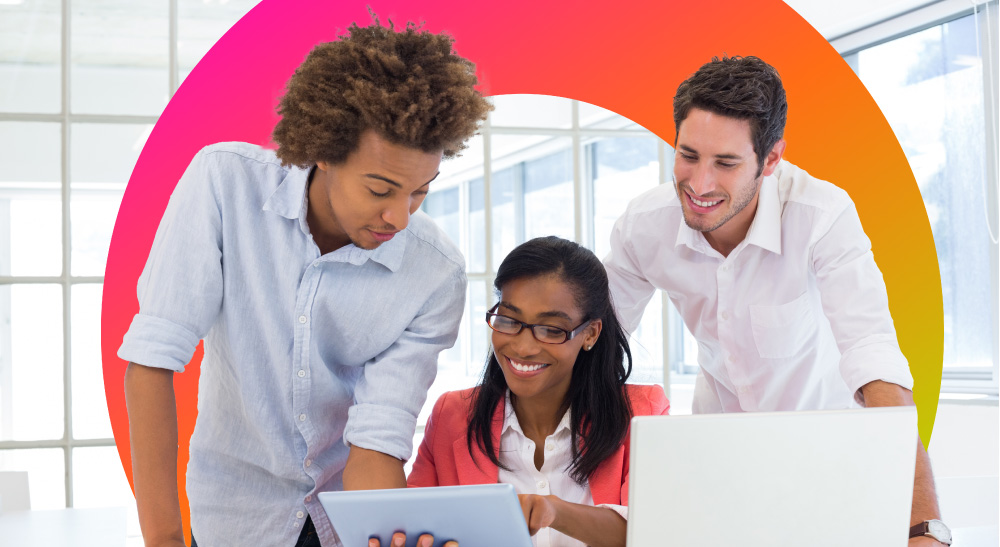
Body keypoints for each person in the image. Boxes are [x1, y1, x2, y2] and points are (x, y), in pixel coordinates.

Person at [118, 17, 492, 547]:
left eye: (419, 192)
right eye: (381, 189)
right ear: (324, 149)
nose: (400, 217)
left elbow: (378, 437)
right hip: (231, 517)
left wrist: (389, 536)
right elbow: (154, 358)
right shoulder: (225, 184)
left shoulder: (434, 274)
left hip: (344, 523)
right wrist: (163, 539)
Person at [603, 56, 950, 546]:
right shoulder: (645, 224)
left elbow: (872, 354)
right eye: (688, 155)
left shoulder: (821, 216)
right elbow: (595, 337)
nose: (700, 184)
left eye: (726, 163)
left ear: (770, 160)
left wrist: (923, 528)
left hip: (830, 462)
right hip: (720, 458)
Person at [401, 236, 670, 547]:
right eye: (509, 320)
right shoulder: (452, 415)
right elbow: (417, 524)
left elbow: (655, 532)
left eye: (551, 329)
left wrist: (553, 511)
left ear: (590, 334)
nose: (523, 347)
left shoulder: (643, 413)